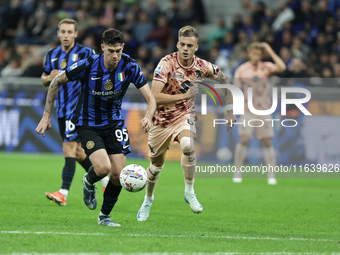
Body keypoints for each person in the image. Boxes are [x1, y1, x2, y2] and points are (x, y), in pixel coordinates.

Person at [36, 28, 156, 226]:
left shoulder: (130, 66)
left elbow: (150, 98)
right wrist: (46, 115)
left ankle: (104, 217)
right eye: (111, 51)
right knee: (103, 168)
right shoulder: (88, 64)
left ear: (122, 48)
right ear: (103, 48)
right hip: (87, 124)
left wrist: (149, 116)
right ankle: (88, 180)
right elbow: (56, 80)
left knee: (118, 173)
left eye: (118, 50)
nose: (115, 55)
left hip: (114, 123)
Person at [137, 26, 236, 222]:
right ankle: (148, 199)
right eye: (182, 44)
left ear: (196, 47)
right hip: (161, 119)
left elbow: (225, 80)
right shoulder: (166, 63)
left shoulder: (202, 66)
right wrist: (185, 94)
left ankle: (189, 191)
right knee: (156, 166)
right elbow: (154, 96)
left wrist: (230, 110)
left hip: (184, 115)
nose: (185, 48)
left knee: (188, 145)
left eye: (189, 45)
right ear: (177, 44)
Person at [41, 18, 109, 206]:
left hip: (78, 110)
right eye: (63, 32)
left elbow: (98, 73)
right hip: (61, 110)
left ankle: (63, 193)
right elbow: (43, 78)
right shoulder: (52, 54)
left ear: (76, 34)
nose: (66, 35)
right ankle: (105, 182)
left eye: (69, 32)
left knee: (68, 148)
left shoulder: (86, 52)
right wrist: (48, 79)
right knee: (78, 153)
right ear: (58, 33)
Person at [232, 42, 286, 185]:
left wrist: (270, 50)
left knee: (267, 142)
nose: (256, 56)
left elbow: (282, 67)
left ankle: (271, 174)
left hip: (264, 110)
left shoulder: (266, 67)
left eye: (259, 54)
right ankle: (237, 171)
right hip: (248, 110)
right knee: (243, 139)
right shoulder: (242, 70)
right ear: (249, 53)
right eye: (254, 53)